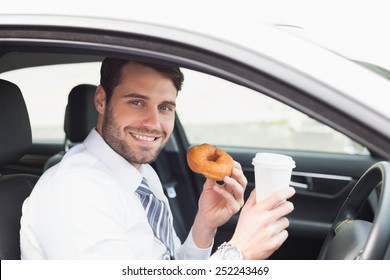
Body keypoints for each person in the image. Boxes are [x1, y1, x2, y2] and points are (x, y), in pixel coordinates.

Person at [20, 58, 295, 260]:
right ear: (102, 101)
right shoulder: (75, 192)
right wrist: (238, 255)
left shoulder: (141, 175)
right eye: (137, 102)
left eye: (164, 107)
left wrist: (204, 224)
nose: (154, 123)